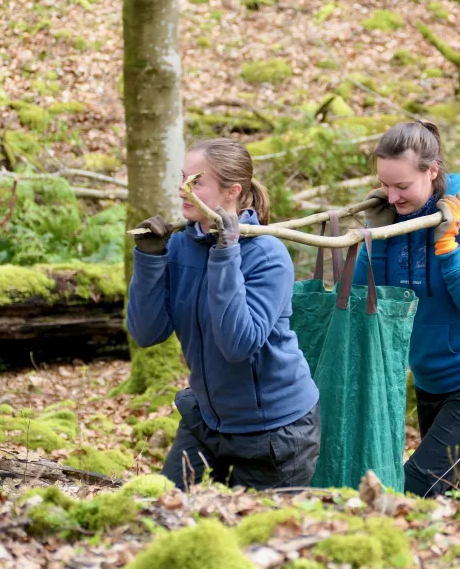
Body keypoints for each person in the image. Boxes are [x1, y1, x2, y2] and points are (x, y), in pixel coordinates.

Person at [127, 138, 320, 491]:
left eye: (196, 182)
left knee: (261, 542)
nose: (184, 191)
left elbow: (238, 344)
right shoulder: (181, 244)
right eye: (183, 179)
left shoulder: (268, 255)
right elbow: (146, 333)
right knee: (161, 518)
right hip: (206, 422)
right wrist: (150, 260)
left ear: (232, 191)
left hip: (274, 434)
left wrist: (226, 252)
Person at [354, 120, 460, 498]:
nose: (392, 196)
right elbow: (365, 299)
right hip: (431, 383)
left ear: (432, 172)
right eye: (384, 184)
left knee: (415, 487)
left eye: (402, 186)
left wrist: (447, 245)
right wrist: (377, 239)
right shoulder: (391, 222)